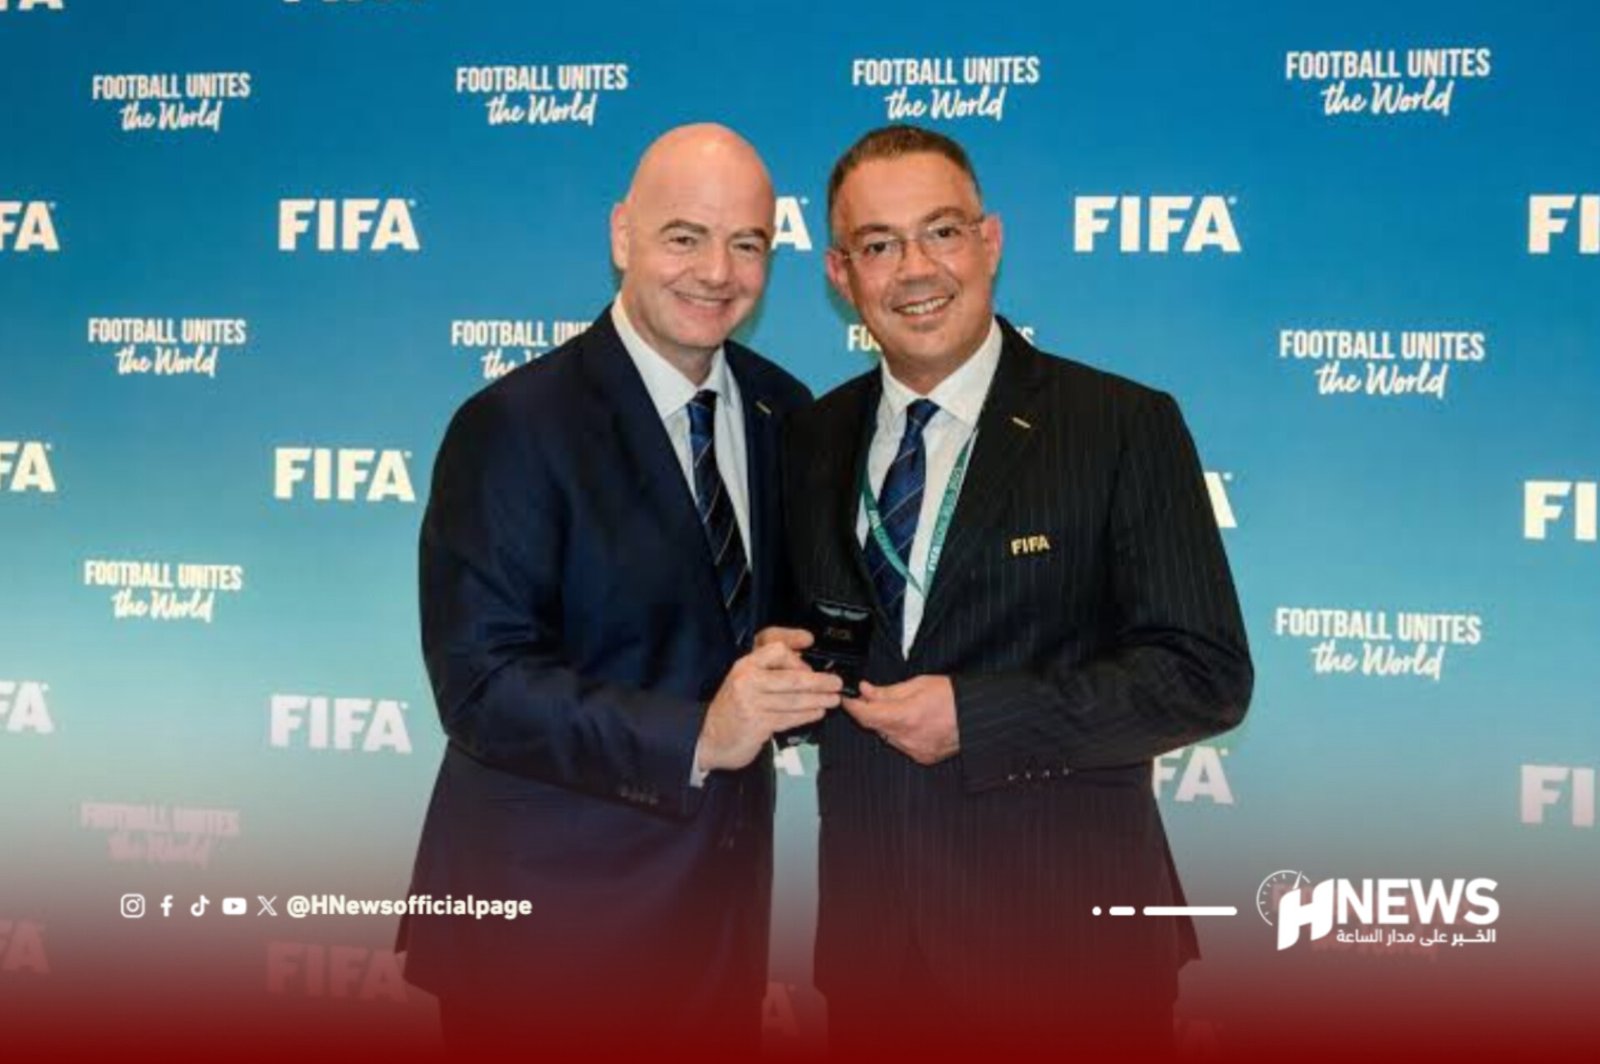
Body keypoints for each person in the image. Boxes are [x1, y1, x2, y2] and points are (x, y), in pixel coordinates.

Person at [783, 124, 1254, 1055]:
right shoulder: (811, 437)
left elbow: (1205, 675)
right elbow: (826, 647)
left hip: (1070, 955)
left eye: (941, 232)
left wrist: (979, 717)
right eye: (879, 245)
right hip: (874, 954)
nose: (915, 269)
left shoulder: (1120, 424)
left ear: (989, 242)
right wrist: (782, 672)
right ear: (843, 275)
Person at [397, 123, 842, 1058]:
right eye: (685, 236)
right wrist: (701, 734)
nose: (717, 271)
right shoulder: (513, 425)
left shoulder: (784, 410)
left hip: (719, 932)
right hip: (545, 940)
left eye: (748, 243)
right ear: (621, 237)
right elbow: (481, 686)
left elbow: (778, 636)